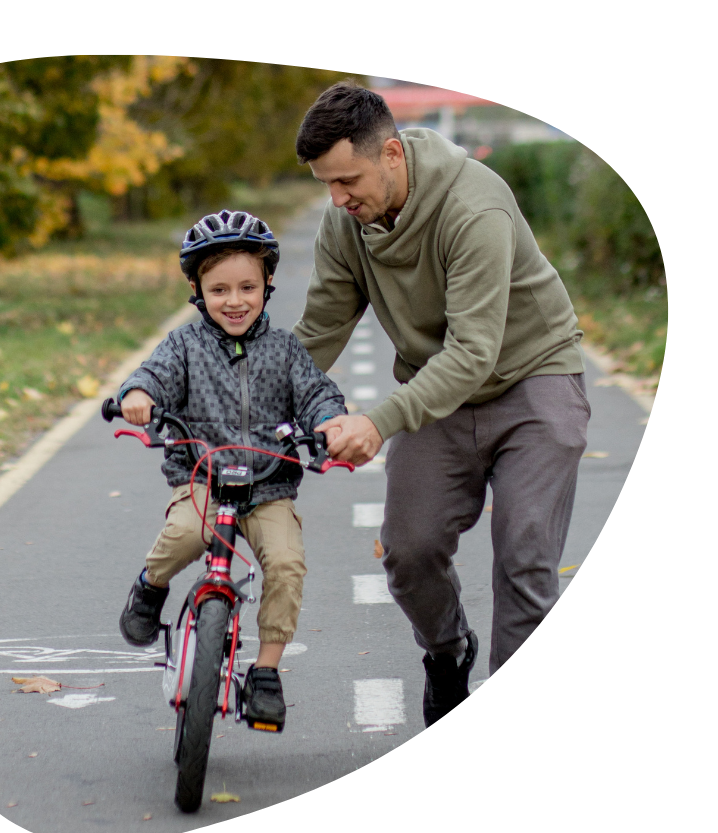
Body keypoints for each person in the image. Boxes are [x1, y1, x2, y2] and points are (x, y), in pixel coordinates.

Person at [291, 83, 591, 727]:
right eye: (326, 184)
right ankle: (448, 651)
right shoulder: (346, 223)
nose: (337, 198)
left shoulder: (473, 205)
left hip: (533, 380)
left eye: (347, 180)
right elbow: (318, 332)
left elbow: (474, 352)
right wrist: (242, 399)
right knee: (409, 551)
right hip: (439, 393)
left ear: (391, 154)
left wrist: (378, 422)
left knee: (525, 558)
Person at [115, 209, 347, 729]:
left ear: (268, 283)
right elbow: (152, 375)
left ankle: (265, 672)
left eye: (247, 287)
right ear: (196, 290)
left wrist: (329, 424)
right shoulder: (184, 346)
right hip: (202, 476)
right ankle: (151, 586)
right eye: (219, 289)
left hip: (268, 484)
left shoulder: (285, 350)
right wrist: (139, 395)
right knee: (187, 532)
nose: (235, 300)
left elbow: (316, 394)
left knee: (285, 564)